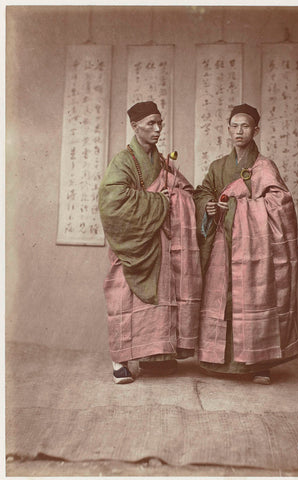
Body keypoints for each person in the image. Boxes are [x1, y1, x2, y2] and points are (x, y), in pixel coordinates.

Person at [194, 103, 298, 384]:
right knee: (221, 298)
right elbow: (203, 192)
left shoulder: (264, 167)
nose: (239, 131)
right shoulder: (218, 166)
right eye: (234, 126)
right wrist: (209, 207)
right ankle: (218, 360)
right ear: (228, 129)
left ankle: (259, 363)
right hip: (221, 244)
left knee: (253, 298)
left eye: (245, 126)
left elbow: (280, 203)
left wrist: (238, 210)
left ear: (255, 130)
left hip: (253, 247)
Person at [99, 101, 201, 383]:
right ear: (135, 127)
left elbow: (185, 191)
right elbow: (112, 203)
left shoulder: (162, 161)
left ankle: (155, 358)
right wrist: (158, 201)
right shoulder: (123, 161)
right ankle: (119, 360)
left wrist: (177, 198)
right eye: (150, 124)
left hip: (162, 243)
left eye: (160, 123)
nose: (157, 129)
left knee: (160, 302)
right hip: (134, 243)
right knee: (123, 295)